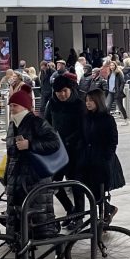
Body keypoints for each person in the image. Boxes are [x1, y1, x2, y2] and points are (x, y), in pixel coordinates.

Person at [2, 83, 63, 241]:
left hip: (35, 178)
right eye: (11, 105)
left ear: (24, 107)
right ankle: (19, 244)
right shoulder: (13, 125)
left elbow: (54, 143)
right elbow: (11, 155)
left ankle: (37, 244)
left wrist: (30, 144)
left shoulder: (36, 122)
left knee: (38, 217)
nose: (12, 109)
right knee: (17, 216)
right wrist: (6, 177)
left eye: (15, 105)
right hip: (16, 178)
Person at [41, 72, 87, 217]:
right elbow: (47, 123)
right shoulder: (52, 103)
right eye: (58, 92)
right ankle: (70, 209)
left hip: (75, 150)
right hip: (58, 150)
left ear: (70, 89)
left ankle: (78, 215)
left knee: (75, 184)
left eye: (64, 91)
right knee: (54, 183)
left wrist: (69, 140)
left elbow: (83, 128)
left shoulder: (79, 103)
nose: (61, 94)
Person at [77, 84, 123, 223]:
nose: (88, 103)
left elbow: (112, 140)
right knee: (86, 186)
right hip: (87, 158)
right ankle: (105, 211)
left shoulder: (107, 119)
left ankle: (103, 214)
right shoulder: (86, 117)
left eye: (91, 100)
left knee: (99, 188)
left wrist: (106, 156)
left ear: (98, 101)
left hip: (101, 159)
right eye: (87, 100)